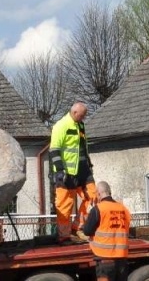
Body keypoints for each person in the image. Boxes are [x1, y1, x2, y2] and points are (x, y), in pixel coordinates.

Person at [48, 102, 98, 240]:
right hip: (66, 173)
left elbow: (83, 148)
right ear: (75, 112)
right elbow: (54, 149)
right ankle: (64, 236)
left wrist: (88, 164)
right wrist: (60, 170)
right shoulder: (61, 125)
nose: (83, 118)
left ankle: (79, 227)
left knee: (93, 196)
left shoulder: (80, 125)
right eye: (82, 115)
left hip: (83, 170)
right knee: (65, 205)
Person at [80, 181, 132, 281]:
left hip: (105, 257)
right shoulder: (123, 208)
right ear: (109, 192)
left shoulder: (98, 209)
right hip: (122, 257)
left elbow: (87, 231)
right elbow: (125, 226)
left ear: (99, 193)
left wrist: (84, 224)